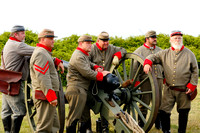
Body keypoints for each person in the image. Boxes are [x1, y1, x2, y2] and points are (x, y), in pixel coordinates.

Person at [143, 30, 199, 133]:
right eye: (175, 38)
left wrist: (192, 85)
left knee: (184, 111)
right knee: (164, 111)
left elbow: (195, 71)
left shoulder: (189, 54)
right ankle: (166, 130)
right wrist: (147, 63)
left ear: (182, 39)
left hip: (184, 89)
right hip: (169, 89)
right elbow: (152, 57)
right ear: (170, 40)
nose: (177, 40)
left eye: (179, 38)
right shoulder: (164, 53)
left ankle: (181, 131)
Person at [65, 35, 110, 133]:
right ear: (81, 43)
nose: (90, 45)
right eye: (88, 43)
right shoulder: (78, 56)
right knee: (74, 117)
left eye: (90, 43)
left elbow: (88, 63)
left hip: (82, 89)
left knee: (84, 117)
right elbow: (86, 73)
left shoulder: (83, 54)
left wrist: (95, 67)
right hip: (76, 89)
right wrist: (101, 75)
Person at [89, 31, 127, 133]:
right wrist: (95, 69)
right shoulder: (92, 49)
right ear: (98, 41)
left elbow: (123, 50)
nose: (106, 43)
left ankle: (105, 127)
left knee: (107, 101)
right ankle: (88, 127)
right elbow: (86, 61)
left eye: (107, 41)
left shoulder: (111, 48)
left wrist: (117, 55)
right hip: (93, 82)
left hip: (107, 83)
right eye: (103, 41)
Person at [1, 25, 35, 133]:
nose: (24, 35)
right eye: (22, 33)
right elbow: (38, 51)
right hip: (14, 83)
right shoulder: (18, 45)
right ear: (15, 34)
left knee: (6, 111)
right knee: (20, 111)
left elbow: (24, 57)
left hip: (5, 82)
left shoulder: (9, 43)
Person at [30, 29, 64, 133]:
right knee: (44, 128)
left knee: (53, 126)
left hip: (47, 96)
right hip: (45, 96)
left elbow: (48, 62)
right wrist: (51, 96)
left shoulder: (43, 52)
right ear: (43, 40)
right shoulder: (41, 54)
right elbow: (42, 77)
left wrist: (56, 61)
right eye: (50, 39)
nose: (53, 41)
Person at [133, 30, 163, 129]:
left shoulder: (160, 50)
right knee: (144, 103)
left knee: (159, 102)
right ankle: (141, 124)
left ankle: (158, 125)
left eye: (155, 37)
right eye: (152, 37)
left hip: (158, 79)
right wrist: (136, 82)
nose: (155, 39)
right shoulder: (139, 51)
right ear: (147, 39)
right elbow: (134, 68)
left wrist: (164, 77)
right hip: (145, 81)